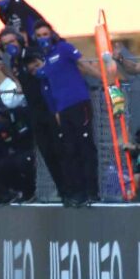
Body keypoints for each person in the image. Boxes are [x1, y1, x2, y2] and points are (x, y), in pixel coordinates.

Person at [33, 20, 101, 206]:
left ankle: (91, 191)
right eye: (39, 36)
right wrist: (56, 112)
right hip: (62, 110)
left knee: (85, 146)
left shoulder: (64, 48)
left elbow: (83, 64)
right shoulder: (45, 60)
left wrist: (103, 77)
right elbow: (49, 88)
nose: (43, 39)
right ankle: (77, 192)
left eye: (45, 34)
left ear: (51, 34)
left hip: (79, 103)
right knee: (70, 150)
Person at [0, 28, 65, 197]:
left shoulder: (31, 53)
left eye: (12, 42)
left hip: (50, 107)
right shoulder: (14, 61)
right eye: (5, 44)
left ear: (20, 40)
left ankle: (72, 187)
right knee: (46, 152)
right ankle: (62, 189)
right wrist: (16, 82)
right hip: (34, 111)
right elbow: (14, 73)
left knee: (61, 150)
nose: (9, 46)